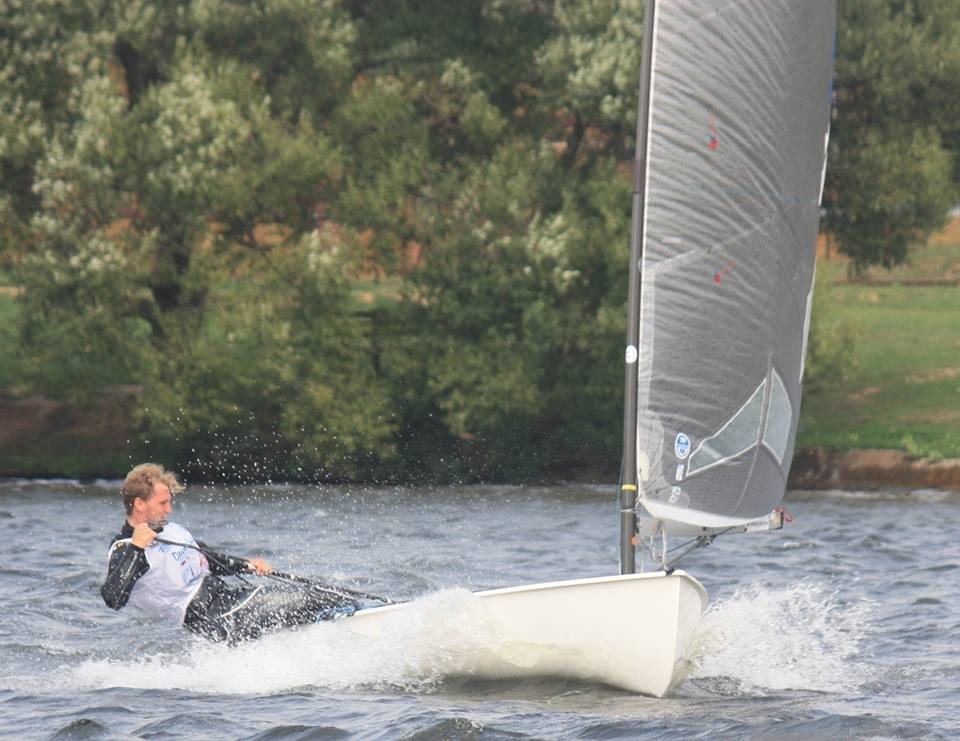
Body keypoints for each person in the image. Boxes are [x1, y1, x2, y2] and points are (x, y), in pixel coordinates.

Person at [100, 462, 366, 643]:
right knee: (307, 600)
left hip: (228, 600)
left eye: (170, 502)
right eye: (163, 502)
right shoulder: (124, 549)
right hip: (212, 618)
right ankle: (365, 616)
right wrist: (137, 548)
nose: (169, 509)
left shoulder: (170, 529)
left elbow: (208, 559)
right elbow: (113, 598)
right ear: (139, 504)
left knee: (315, 594)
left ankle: (358, 615)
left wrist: (247, 565)